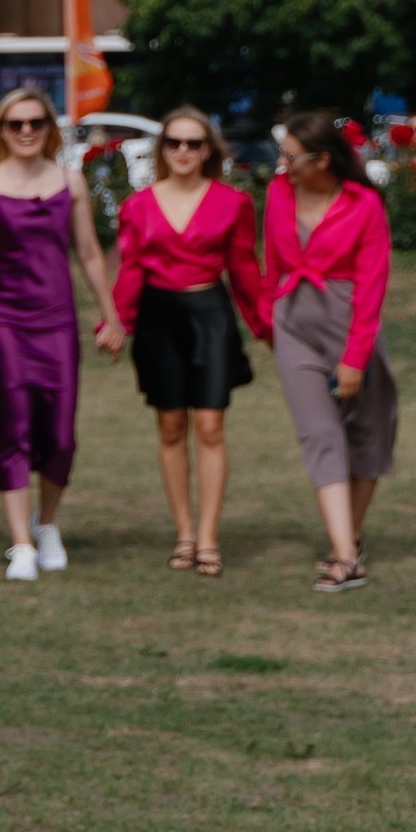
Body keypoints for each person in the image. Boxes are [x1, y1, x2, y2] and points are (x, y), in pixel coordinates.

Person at [0, 85, 124, 582]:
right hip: (4, 321)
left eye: (36, 123)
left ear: (50, 129)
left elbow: (90, 253)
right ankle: (21, 543)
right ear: (2, 131)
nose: (26, 131)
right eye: (16, 124)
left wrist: (110, 315)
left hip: (57, 322)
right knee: (12, 425)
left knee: (59, 430)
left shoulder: (70, 183)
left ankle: (46, 522)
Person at [113, 108, 269, 579]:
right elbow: (132, 268)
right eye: (174, 143)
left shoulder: (232, 202)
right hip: (159, 320)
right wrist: (118, 321)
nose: (183, 151)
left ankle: (208, 537)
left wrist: (266, 326)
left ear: (209, 151)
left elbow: (244, 269)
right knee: (170, 427)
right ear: (162, 149)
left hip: (210, 318)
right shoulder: (137, 205)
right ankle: (183, 533)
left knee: (210, 426)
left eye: (194, 143)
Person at [265, 112, 398, 593]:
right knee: (320, 434)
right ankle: (344, 556)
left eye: (291, 156)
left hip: (349, 325)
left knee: (368, 435)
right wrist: (268, 321)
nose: (282, 165)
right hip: (294, 324)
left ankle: (352, 537)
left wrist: (355, 357)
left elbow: (372, 285)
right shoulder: (278, 192)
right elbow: (272, 262)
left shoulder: (364, 204)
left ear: (322, 160)